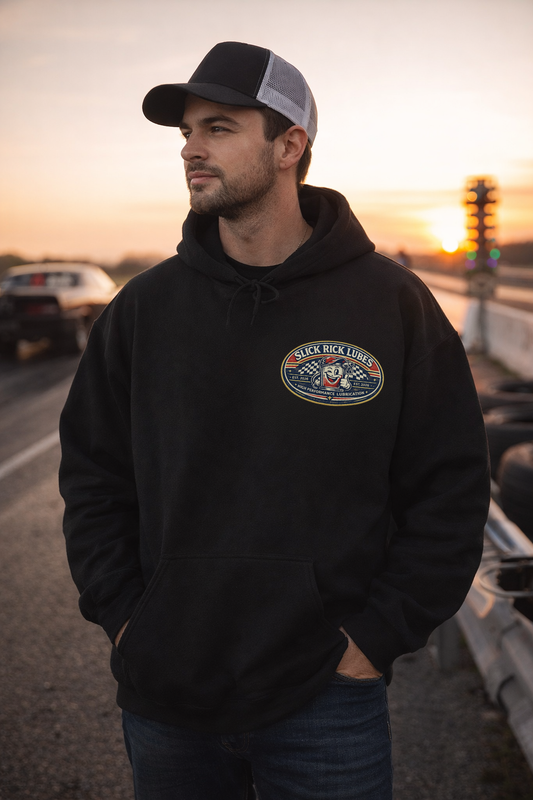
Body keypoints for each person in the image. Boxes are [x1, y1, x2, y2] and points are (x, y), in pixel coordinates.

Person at [59, 41, 490, 800]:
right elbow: (94, 475)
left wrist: (377, 637)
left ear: (289, 146)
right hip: (166, 696)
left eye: (218, 127)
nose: (191, 149)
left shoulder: (391, 306)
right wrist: (127, 620)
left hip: (326, 698)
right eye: (186, 131)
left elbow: (450, 487)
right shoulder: (143, 310)